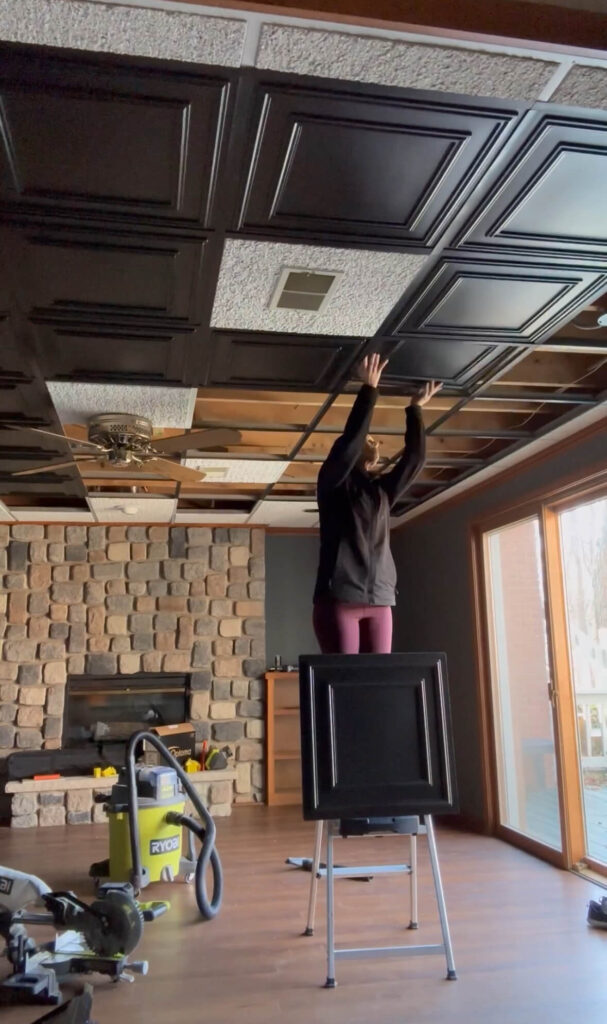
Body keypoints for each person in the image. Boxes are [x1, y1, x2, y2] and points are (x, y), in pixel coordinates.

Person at [313, 353, 440, 655]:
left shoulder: (381, 492)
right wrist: (369, 391)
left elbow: (415, 459)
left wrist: (415, 410)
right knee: (346, 681)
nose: (368, 446)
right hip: (339, 598)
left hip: (381, 599)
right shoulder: (331, 484)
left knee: (378, 680)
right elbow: (349, 445)